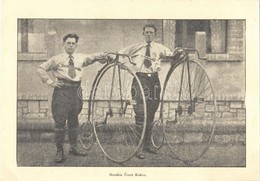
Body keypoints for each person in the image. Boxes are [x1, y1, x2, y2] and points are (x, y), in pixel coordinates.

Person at [37, 33, 110, 163]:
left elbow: (93, 57)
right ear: (64, 44)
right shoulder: (57, 59)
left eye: (73, 43)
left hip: (76, 91)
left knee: (74, 120)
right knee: (60, 123)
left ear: (76, 45)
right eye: (68, 43)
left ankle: (73, 147)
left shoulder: (80, 58)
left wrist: (106, 55)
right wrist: (50, 82)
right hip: (62, 92)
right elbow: (41, 69)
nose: (70, 45)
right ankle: (59, 151)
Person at [119, 24, 173, 159]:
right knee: (140, 113)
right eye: (147, 32)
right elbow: (120, 54)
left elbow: (171, 55)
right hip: (140, 80)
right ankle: (139, 147)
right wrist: (124, 66)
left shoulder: (159, 48)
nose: (149, 34)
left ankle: (147, 144)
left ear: (155, 34)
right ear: (143, 33)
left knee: (151, 112)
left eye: (151, 32)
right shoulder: (136, 47)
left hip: (154, 80)